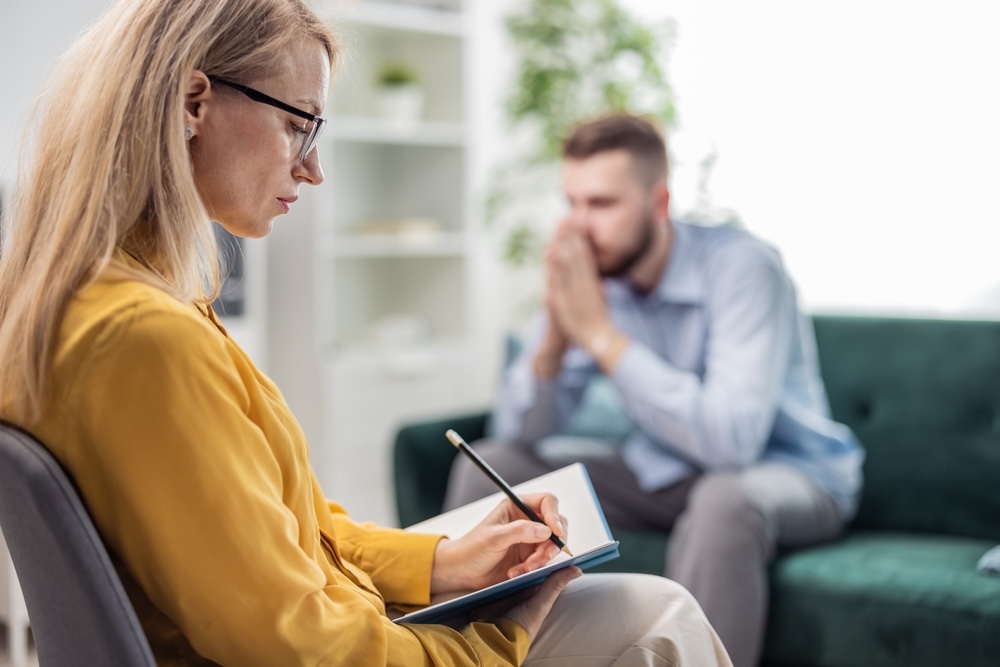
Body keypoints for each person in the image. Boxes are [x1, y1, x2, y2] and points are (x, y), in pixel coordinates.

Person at [0, 1, 734, 665]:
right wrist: (500, 636)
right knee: (657, 615)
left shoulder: (84, 306)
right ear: (195, 101)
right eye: (298, 125)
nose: (313, 168)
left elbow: (293, 532)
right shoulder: (146, 340)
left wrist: (443, 561)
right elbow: (298, 642)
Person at [444, 113, 865, 667]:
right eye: (572, 203)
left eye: (601, 204)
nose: (579, 226)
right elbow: (519, 433)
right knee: (492, 462)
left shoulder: (744, 268)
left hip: (791, 473)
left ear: (658, 203)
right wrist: (553, 337)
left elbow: (731, 444)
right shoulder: (598, 273)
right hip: (665, 472)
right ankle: (457, 654)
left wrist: (598, 333)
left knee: (725, 498)